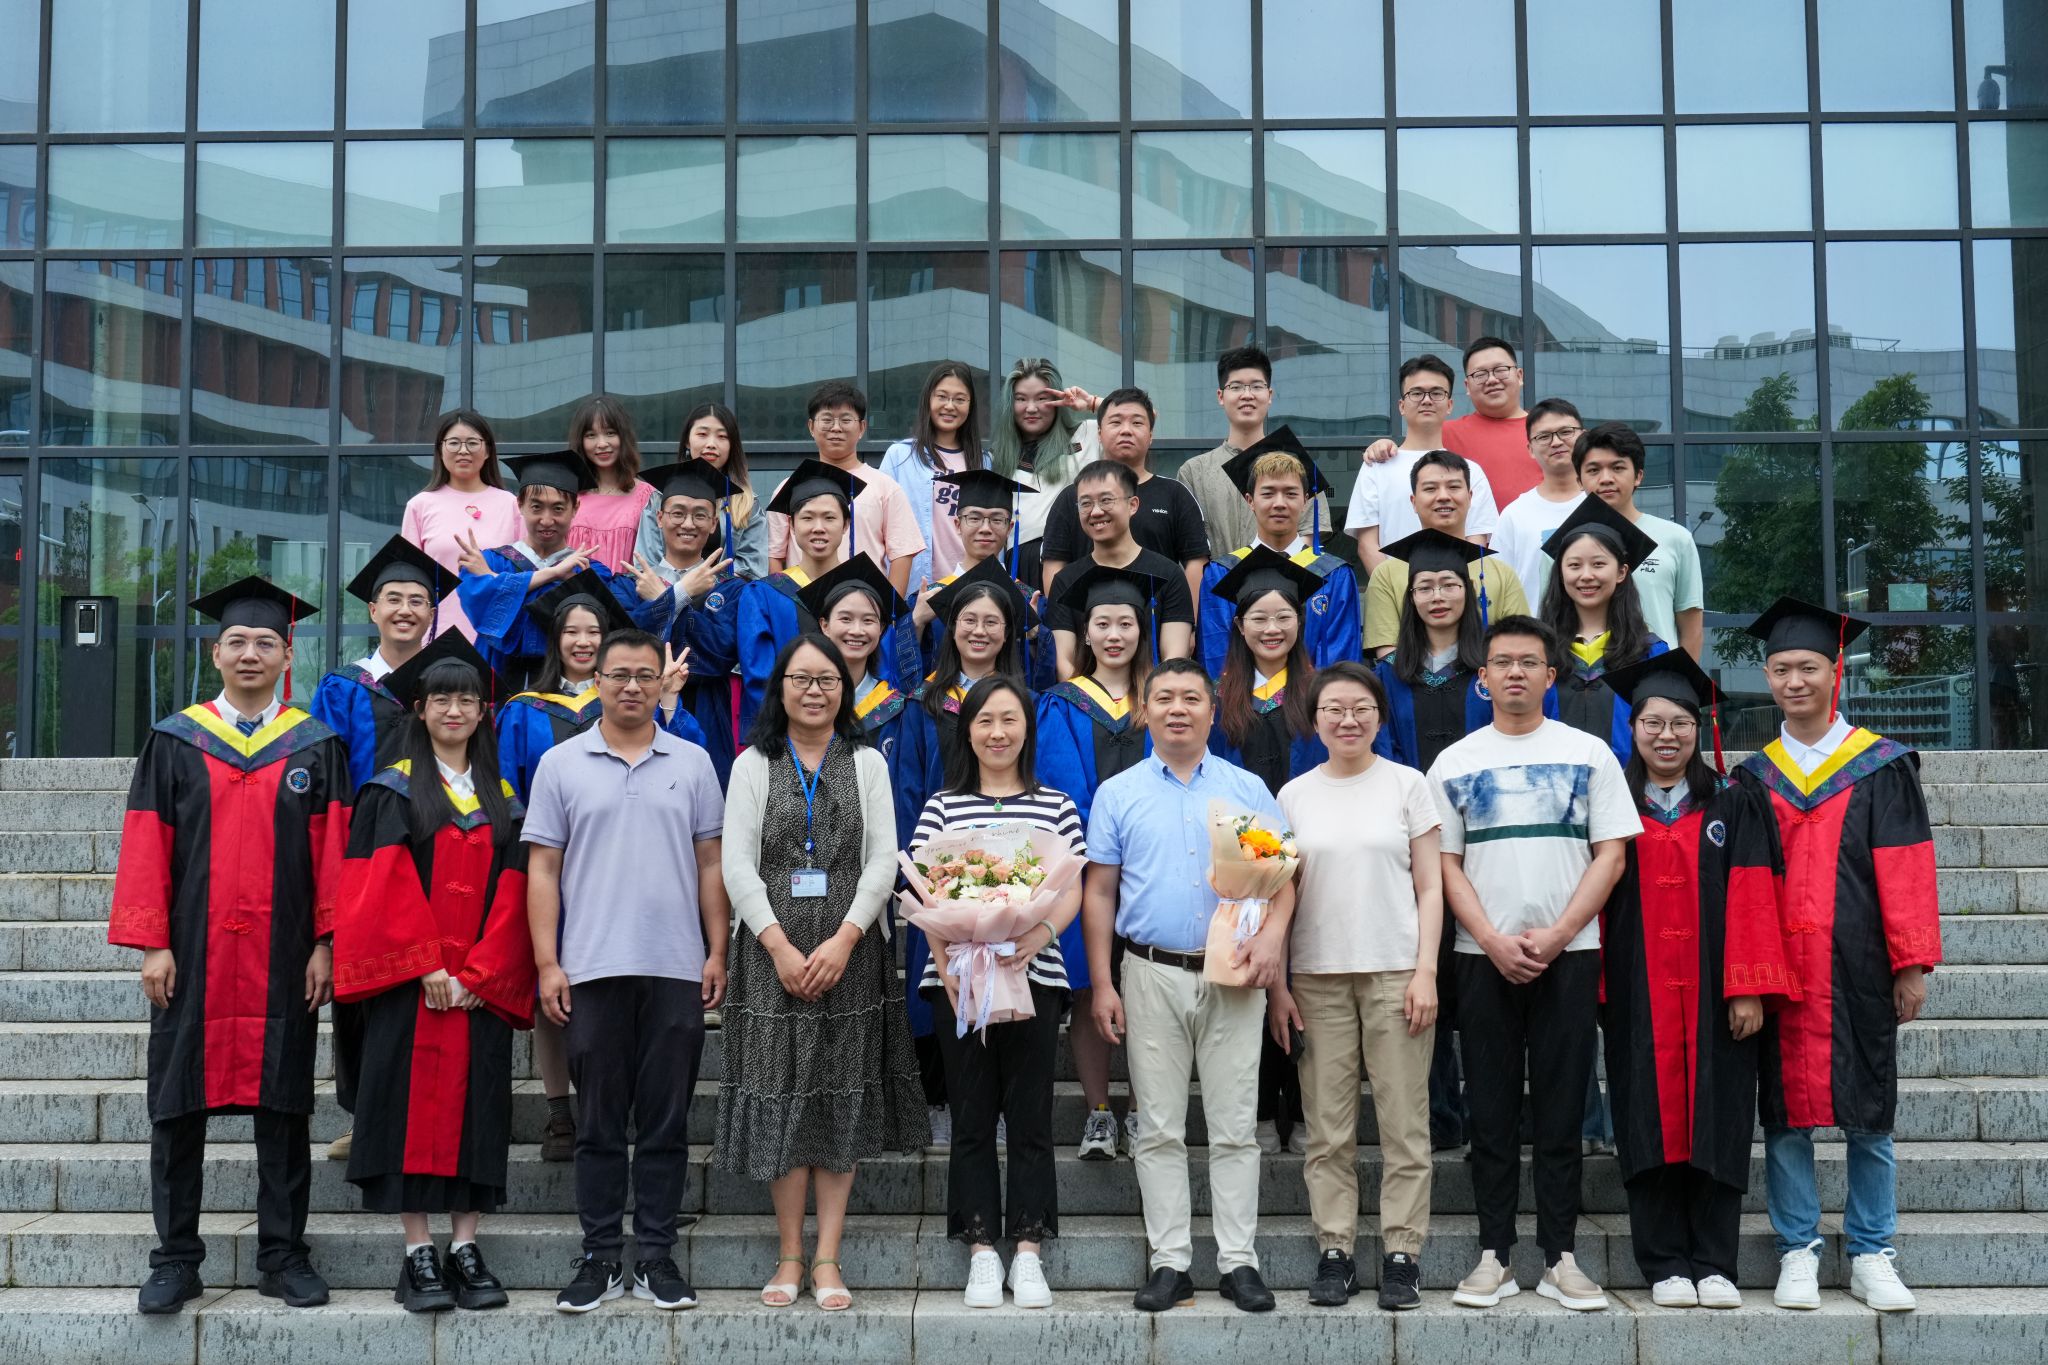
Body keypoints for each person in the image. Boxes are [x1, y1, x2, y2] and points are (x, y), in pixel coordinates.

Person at [113, 576, 348, 1315]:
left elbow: (334, 854)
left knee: (284, 1105)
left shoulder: (315, 745)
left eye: (266, 642)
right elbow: (147, 843)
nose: (251, 653)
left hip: (284, 955)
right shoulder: (174, 740)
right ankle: (176, 1258)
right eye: (238, 641)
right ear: (216, 653)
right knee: (176, 1105)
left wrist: (327, 941)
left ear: (288, 656)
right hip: (192, 954)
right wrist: (152, 942)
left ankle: (282, 1254)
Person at [1735, 597, 1942, 1315]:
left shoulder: (1882, 765)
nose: (1795, 681)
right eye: (1781, 669)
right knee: (1784, 1111)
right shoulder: (1755, 778)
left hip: (1859, 962)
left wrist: (1910, 962)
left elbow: (1906, 866)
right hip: (1780, 966)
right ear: (1768, 677)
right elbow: (1744, 885)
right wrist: (1746, 973)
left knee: (1869, 1109)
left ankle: (1872, 1250)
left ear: (1836, 672)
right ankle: (1797, 1247)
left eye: (1808, 668)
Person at [1430, 615, 1639, 1315]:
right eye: (1501, 662)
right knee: (1489, 1110)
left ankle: (1560, 1257)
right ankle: (1493, 1254)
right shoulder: (1454, 762)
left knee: (1561, 1108)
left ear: (1551, 676)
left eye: (1528, 662)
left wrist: (1558, 934)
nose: (1514, 672)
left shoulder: (1589, 754)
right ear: (1482, 678)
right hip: (1480, 958)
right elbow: (1445, 864)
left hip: (1570, 956)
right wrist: (1491, 938)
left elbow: (1611, 855)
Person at [716, 635, 929, 1312]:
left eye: (827, 680)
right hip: (768, 955)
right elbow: (735, 863)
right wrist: (778, 945)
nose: (814, 690)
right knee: (780, 1093)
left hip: (851, 954)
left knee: (841, 1095)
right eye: (801, 679)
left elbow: (884, 857)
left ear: (845, 688)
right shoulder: (753, 762)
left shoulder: (866, 760)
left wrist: (845, 937)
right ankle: (789, 1254)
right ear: (779, 687)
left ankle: (828, 1255)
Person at [525, 627, 729, 1314]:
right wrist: (548, 961)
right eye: (619, 675)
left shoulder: (693, 762)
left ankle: (658, 1255)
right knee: (598, 1121)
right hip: (591, 965)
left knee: (667, 1121)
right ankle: (601, 1256)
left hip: (674, 965)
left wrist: (717, 949)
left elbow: (710, 861)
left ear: (661, 682)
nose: (633, 686)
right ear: (597, 681)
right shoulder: (560, 763)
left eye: (646, 675)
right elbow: (543, 868)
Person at [1083, 656, 1294, 1315]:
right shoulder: (1119, 793)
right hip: (1149, 972)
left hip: (1234, 973)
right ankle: (1170, 1261)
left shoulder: (1244, 788)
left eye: (1191, 698)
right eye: (1165, 698)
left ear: (1212, 709)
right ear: (1144, 710)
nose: (1178, 709)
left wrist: (1272, 941)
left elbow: (1281, 880)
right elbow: (1100, 892)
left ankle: (1238, 1262)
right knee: (1158, 1128)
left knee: (1234, 1126)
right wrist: (1102, 983)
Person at [332, 632, 532, 1313]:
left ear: (483, 711)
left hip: (477, 989)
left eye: (467, 699)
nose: (454, 709)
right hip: (410, 989)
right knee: (402, 1108)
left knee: (480, 1109)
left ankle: (465, 1246)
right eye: (441, 698)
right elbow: (377, 883)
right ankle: (418, 1249)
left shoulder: (503, 798)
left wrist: (481, 973)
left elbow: (516, 893)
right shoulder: (390, 789)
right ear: (419, 709)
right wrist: (423, 965)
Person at [1596, 651, 1794, 1312]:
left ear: (1699, 728)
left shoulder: (1734, 802)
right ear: (1633, 728)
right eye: (1652, 722)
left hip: (1716, 994)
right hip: (1637, 992)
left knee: (1720, 1116)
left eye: (1680, 722)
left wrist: (1749, 984)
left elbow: (1754, 894)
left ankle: (1714, 1262)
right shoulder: (1612, 806)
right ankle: (1664, 1263)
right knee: (1645, 1117)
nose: (1667, 735)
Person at [1268, 662, 1442, 1311]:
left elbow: (1431, 886)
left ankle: (1402, 1254)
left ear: (1379, 715)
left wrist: (1426, 971)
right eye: (1334, 709)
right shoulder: (1293, 796)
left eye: (1361, 708)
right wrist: (1280, 986)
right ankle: (1335, 1250)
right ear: (1314, 720)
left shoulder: (1407, 784)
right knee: (1328, 1128)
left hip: (1396, 971)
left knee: (1404, 1124)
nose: (1348, 719)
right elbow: (1279, 894)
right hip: (1316, 976)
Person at [910, 676, 1085, 1310]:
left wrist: (1037, 936)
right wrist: (947, 964)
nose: (998, 732)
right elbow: (925, 890)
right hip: (957, 982)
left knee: (1031, 1117)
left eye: (1010, 719)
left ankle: (1029, 1250)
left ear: (1027, 729)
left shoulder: (1056, 804)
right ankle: (982, 1249)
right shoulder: (943, 805)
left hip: (1035, 977)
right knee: (972, 1118)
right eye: (985, 720)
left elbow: (1071, 887)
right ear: (968, 731)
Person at [309, 534, 452, 1164]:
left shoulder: (450, 682)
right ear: (373, 610)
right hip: (364, 853)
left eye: (417, 600)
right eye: (393, 599)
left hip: (438, 848)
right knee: (362, 983)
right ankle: (364, 1116)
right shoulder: (343, 688)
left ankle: (431, 1108)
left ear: (432, 612)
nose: (404, 610)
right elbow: (324, 778)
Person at [1370, 528, 1496, 1154]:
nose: (1438, 595)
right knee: (1431, 974)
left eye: (1449, 583)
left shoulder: (1491, 671)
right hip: (1414, 846)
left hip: (1488, 844)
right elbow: (1383, 756)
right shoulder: (1389, 676)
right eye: (1425, 586)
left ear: (1468, 592)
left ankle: (1490, 1113)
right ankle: (1440, 1112)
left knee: (1482, 980)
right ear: (1410, 597)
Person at [899, 561, 1031, 1133]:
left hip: (1008, 873)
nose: (979, 630)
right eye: (968, 620)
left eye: (992, 622)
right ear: (950, 628)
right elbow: (908, 789)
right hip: (941, 874)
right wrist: (917, 874)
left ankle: (999, 1100)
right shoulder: (924, 702)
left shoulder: (1025, 705)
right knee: (939, 978)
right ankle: (941, 1097)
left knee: (1006, 971)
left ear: (1008, 633)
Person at [1207, 547, 1326, 1156]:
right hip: (1243, 862)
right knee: (1247, 974)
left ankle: (1301, 1107)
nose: (1272, 628)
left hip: (1314, 855)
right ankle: (1255, 1106)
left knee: (1301, 978)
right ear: (1239, 624)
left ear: (1300, 622)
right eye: (1259, 618)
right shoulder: (1218, 696)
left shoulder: (1320, 692)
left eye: (1283, 617)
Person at [1037, 565, 1156, 1162]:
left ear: (1141, 630)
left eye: (1125, 624)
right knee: (1090, 990)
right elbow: (1063, 789)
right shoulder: (1062, 704)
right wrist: (1110, 844)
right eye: (1102, 624)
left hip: (1155, 869)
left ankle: (1141, 1110)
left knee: (1151, 993)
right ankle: (1100, 1113)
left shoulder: (1162, 697)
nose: (1114, 635)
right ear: (1085, 633)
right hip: (1089, 871)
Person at [452, 452, 671, 691]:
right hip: (498, 680)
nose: (547, 520)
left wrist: (496, 582)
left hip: (568, 689)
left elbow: (589, 621)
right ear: (520, 504)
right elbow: (478, 604)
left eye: (558, 509)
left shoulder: (590, 570)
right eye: (536, 507)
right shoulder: (492, 560)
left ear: (575, 508)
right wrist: (553, 575)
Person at [496, 572, 703, 801]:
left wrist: (669, 696)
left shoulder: (632, 701)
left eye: (593, 632)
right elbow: (507, 786)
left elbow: (683, 763)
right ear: (556, 640)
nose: (583, 642)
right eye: (571, 632)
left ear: (606, 640)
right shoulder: (523, 711)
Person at [1196, 427, 1361, 676]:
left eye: (1290, 493)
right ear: (1250, 501)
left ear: (1305, 500)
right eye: (1268, 493)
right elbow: (1217, 656)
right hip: (1241, 699)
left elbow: (1340, 661)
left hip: (1314, 699)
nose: (1280, 503)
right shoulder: (1221, 573)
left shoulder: (1335, 575)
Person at [1039, 388, 1208, 608]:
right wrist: (1065, 621)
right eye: (1116, 422)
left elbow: (1196, 563)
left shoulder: (1176, 494)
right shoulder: (1071, 496)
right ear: (1099, 434)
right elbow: (1054, 564)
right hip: (1088, 623)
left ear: (1150, 436)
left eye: (1137, 423)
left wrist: (1186, 621)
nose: (1126, 430)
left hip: (1159, 623)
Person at [738, 459, 872, 732]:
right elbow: (758, 678)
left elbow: (883, 669)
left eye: (830, 518)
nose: (818, 527)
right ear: (791, 524)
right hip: (786, 735)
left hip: (861, 729)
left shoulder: (868, 591)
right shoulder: (764, 595)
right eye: (807, 518)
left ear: (846, 524)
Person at [802, 556, 923, 844]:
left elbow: (905, 792)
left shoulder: (898, 708)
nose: (857, 630)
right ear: (824, 624)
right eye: (845, 619)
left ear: (881, 629)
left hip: (878, 842)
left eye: (868, 620)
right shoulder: (800, 701)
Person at [1539, 495, 1666, 767]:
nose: (1586, 575)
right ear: (1560, 572)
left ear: (1621, 572)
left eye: (1598, 564)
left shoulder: (1649, 652)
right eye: (1574, 565)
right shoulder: (1539, 650)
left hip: (1628, 785)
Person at [1362, 450, 1529, 657]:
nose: (1443, 496)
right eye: (1430, 489)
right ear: (1413, 502)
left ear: (1470, 497)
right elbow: (1388, 653)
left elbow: (1520, 645)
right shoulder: (1385, 575)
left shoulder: (1502, 574)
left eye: (1453, 487)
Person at [640, 457, 744, 785]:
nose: (688, 523)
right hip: (639, 708)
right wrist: (682, 594)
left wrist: (665, 600)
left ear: (713, 524)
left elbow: (717, 656)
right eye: (678, 513)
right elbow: (630, 644)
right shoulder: (633, 583)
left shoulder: (732, 589)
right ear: (660, 518)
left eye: (700, 515)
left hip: (707, 711)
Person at [767, 381, 926, 595]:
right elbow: (776, 555)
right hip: (801, 603)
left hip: (864, 606)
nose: (836, 428)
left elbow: (901, 555)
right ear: (811, 427)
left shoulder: (885, 488)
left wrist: (888, 610)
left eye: (845, 420)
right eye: (827, 419)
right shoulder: (789, 488)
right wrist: (783, 603)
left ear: (862, 428)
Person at [1348, 356, 1501, 576]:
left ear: (1449, 405)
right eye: (1416, 393)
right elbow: (1367, 545)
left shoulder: (1471, 471)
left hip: (1457, 591)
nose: (1427, 400)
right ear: (1401, 406)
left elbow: (1477, 541)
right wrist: (1400, 591)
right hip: (1394, 590)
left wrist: (1455, 590)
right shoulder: (1376, 466)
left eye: (1437, 393)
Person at [1176, 345, 1333, 557]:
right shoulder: (1194, 472)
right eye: (1236, 387)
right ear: (1221, 396)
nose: (1247, 395)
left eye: (1257, 386)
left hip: (1285, 577)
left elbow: (1309, 537)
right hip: (1217, 578)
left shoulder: (1297, 462)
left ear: (1269, 395)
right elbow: (1191, 549)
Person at [1045, 460, 1197, 675]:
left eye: (1106, 500)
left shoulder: (1169, 575)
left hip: (1152, 692)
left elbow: (1174, 656)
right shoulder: (1065, 580)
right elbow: (1063, 660)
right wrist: (1086, 697)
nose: (1095, 511)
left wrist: (1151, 694)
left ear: (1132, 505)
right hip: (1082, 694)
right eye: (1085, 503)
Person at [914, 468, 1056, 689]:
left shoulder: (1028, 601)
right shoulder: (929, 599)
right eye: (974, 518)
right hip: (938, 707)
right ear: (957, 525)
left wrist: (1035, 635)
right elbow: (902, 681)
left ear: (1009, 528)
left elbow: (1042, 684)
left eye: (997, 519)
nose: (986, 529)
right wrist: (916, 623)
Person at [1359, 338, 1539, 510]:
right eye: (1480, 374)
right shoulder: (1445, 432)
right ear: (1467, 386)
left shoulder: (1545, 433)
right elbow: (1409, 452)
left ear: (1519, 375)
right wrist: (1383, 447)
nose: (1491, 379)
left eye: (1500, 370)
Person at [1574, 422, 1704, 660]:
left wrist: (1680, 682)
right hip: (1585, 677)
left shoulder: (1676, 538)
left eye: (1618, 468)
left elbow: (1691, 628)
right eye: (1593, 470)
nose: (1606, 479)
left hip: (1656, 675)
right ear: (1579, 480)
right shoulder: (1565, 544)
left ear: (1638, 476)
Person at [402, 409, 523, 642]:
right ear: (440, 449)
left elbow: (523, 573)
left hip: (496, 636)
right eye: (454, 443)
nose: (463, 450)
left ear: (488, 450)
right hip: (436, 636)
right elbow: (409, 580)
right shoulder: (419, 506)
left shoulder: (511, 505)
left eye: (473, 443)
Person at [991, 356, 1100, 592]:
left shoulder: (1087, 435)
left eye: (1042, 399)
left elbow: (1144, 416)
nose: (1031, 408)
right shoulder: (999, 457)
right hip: (1023, 565)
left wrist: (1092, 403)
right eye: (1021, 399)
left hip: (1080, 555)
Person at [632, 401, 770, 581]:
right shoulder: (659, 497)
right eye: (702, 434)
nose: (711, 444)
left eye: (722, 436)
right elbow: (647, 562)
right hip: (662, 592)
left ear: (732, 445)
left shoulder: (746, 503)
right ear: (687, 441)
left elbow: (752, 568)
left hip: (725, 595)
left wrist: (708, 587)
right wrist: (680, 591)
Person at [880, 360, 986, 593]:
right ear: (928, 400)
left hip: (968, 587)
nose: (950, 406)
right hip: (915, 586)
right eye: (942, 397)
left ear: (970, 406)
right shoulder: (899, 457)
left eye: (960, 399)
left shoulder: (983, 462)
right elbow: (881, 526)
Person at [1488, 398, 1588, 595]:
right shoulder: (1515, 515)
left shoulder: (1604, 505)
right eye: (1544, 436)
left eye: (1565, 432)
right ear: (1530, 449)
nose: (1556, 442)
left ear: (1584, 437)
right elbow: (1497, 589)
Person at [564, 394, 658, 570]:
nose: (602, 443)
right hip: (572, 587)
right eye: (591, 435)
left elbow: (655, 561)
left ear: (623, 437)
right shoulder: (567, 494)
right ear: (580, 441)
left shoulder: (647, 497)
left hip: (626, 587)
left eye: (610, 433)